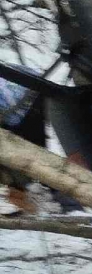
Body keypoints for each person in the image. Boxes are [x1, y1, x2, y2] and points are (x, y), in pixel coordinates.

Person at [0, 65, 46, 214]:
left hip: (25, 100)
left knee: (27, 157)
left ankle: (32, 202)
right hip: (29, 90)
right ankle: (28, 199)